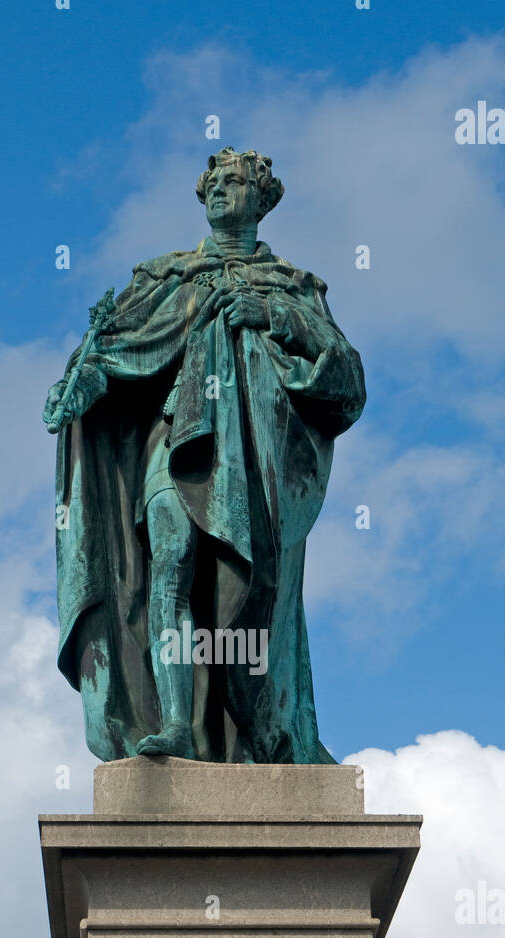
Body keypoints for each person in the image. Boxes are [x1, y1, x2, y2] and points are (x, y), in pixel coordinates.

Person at [43, 146, 366, 763]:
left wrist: (272, 316)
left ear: (263, 198)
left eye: (236, 180)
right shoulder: (164, 277)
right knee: (169, 564)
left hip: (250, 461)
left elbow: (346, 381)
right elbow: (118, 351)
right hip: (175, 435)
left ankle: (256, 727)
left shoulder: (294, 287)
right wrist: (83, 384)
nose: (221, 190)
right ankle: (174, 723)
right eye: (213, 181)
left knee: (242, 591)